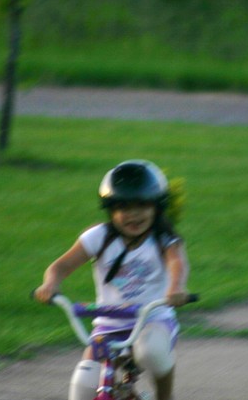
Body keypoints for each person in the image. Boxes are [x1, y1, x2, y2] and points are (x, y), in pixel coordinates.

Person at [34, 159, 191, 400]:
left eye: (142, 205)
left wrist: (176, 288)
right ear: (110, 209)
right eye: (123, 207)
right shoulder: (99, 237)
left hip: (152, 320)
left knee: (151, 351)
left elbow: (176, 262)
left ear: (157, 207)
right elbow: (61, 266)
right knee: (84, 383)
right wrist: (50, 284)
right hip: (108, 325)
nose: (133, 214)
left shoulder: (163, 239)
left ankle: (164, 396)